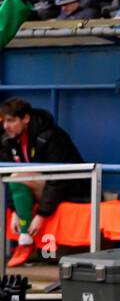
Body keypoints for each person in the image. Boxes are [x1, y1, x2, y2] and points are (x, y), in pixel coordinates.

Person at [1, 98, 88, 268]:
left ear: (25, 119)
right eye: (4, 121)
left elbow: (60, 177)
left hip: (75, 189)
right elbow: (6, 175)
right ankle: (24, 240)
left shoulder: (52, 136)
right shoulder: (7, 139)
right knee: (13, 175)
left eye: (11, 121)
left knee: (19, 175)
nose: (6, 126)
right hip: (42, 188)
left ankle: (25, 241)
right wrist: (14, 211)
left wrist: (41, 215)